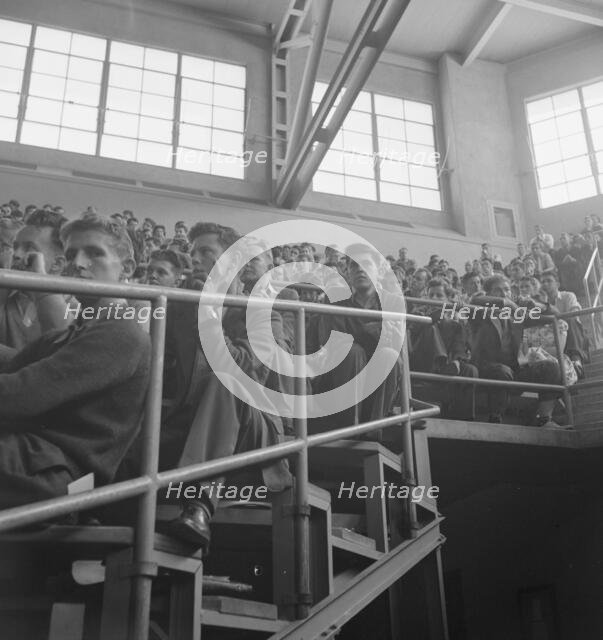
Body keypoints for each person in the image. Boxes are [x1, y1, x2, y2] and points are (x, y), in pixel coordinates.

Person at [156, 222, 292, 550]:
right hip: (190, 419)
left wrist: (209, 314)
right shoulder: (181, 307)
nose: (196, 260)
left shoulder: (263, 313)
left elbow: (245, 370)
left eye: (206, 252)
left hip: (254, 426)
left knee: (230, 378)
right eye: (193, 253)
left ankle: (199, 504)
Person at [0, 215, 151, 509]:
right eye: (70, 254)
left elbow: (21, 394)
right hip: (29, 459)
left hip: (58, 474)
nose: (78, 263)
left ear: (127, 269)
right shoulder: (72, 333)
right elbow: (13, 364)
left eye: (94, 253)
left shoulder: (122, 331)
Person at [309, 243, 404, 431]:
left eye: (365, 264)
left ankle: (373, 429)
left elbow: (395, 343)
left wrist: (359, 334)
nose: (359, 269)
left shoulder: (392, 302)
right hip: (340, 384)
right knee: (352, 352)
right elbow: (335, 345)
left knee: (388, 355)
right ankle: (349, 427)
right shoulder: (336, 302)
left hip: (378, 382)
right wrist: (373, 331)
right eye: (354, 265)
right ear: (348, 273)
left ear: (377, 271)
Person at [470, 275, 561, 427]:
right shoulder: (479, 313)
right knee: (502, 371)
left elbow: (554, 315)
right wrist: (507, 303)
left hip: (514, 372)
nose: (504, 293)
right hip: (485, 371)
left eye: (506, 290)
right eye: (497, 290)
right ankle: (495, 419)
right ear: (489, 294)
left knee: (552, 367)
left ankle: (544, 419)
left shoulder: (516, 316)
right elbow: (474, 301)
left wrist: (535, 303)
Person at [0, 210, 70, 352]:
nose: (16, 255)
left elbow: (60, 353)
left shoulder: (76, 307)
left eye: (29, 248)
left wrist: (41, 280)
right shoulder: (6, 296)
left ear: (57, 264)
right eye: (14, 247)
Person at [409, 279, 477, 420]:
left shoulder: (454, 316)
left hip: (449, 365)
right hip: (422, 363)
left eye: (439, 296)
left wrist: (457, 316)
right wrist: (440, 313)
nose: (434, 299)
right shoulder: (419, 312)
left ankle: (464, 420)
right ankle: (443, 364)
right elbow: (413, 332)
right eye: (431, 295)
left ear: (447, 298)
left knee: (470, 371)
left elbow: (463, 341)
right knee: (430, 327)